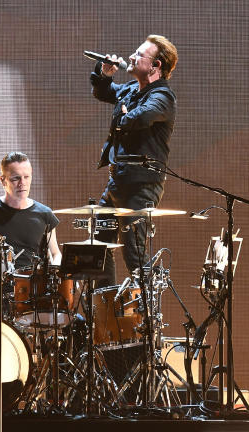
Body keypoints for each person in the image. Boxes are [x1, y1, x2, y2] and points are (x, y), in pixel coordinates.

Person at [90, 34, 178, 286]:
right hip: (118, 183)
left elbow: (135, 119)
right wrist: (105, 74)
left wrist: (123, 112)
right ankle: (105, 303)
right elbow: (104, 91)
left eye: (139, 55)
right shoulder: (130, 90)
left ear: (156, 65)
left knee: (135, 255)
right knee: (100, 245)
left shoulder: (163, 97)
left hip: (142, 187)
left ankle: (148, 316)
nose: (131, 56)